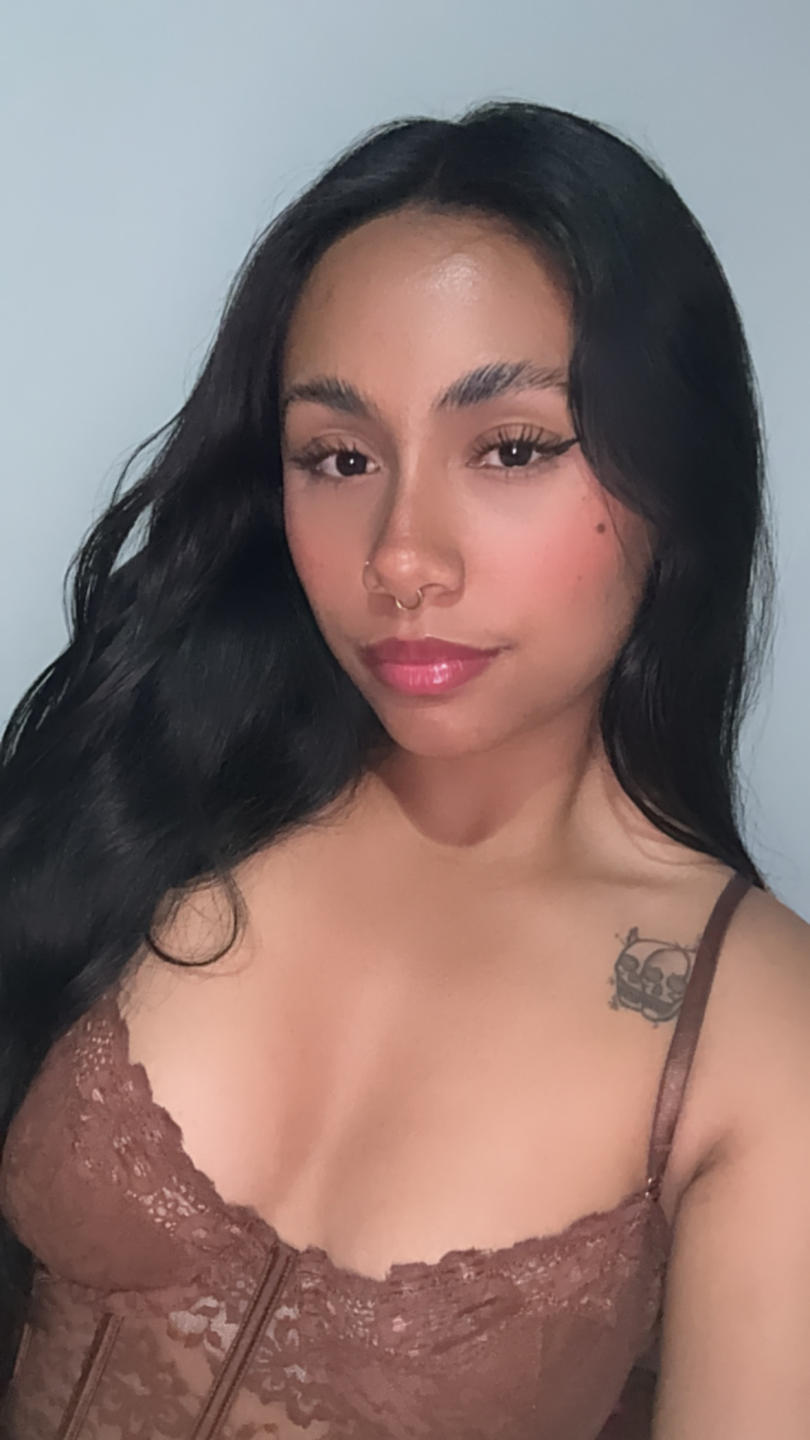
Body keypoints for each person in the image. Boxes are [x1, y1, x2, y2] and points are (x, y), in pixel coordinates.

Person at [0, 99, 807, 1440]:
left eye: (511, 449)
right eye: (339, 456)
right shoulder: (161, 785)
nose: (400, 556)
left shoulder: (754, 1032)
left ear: (677, 482)